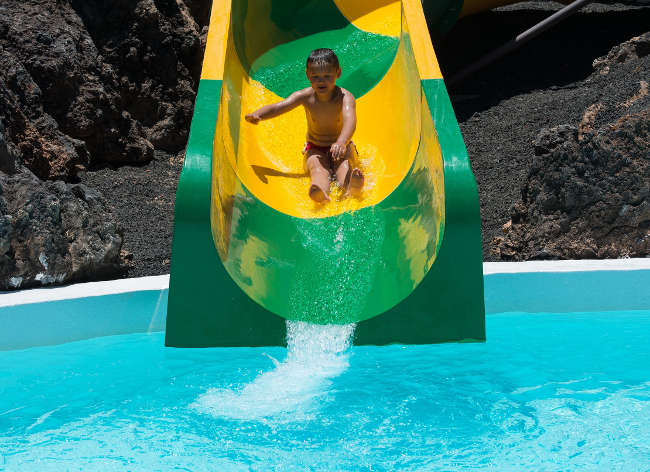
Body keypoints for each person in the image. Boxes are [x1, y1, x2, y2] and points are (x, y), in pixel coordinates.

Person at [245, 48, 364, 203]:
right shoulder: (305, 96)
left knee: (344, 166)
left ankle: (350, 186)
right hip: (315, 147)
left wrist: (341, 142)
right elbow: (279, 106)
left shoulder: (345, 97)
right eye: (316, 76)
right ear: (308, 75)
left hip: (342, 146)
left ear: (338, 73)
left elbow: (350, 121)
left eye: (327, 76)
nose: (321, 81)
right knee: (317, 168)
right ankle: (320, 191)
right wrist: (259, 114)